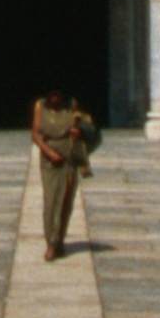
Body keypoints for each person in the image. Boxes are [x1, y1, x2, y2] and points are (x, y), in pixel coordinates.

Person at [30, 86, 98, 260]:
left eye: (58, 94)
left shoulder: (71, 104)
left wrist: (78, 131)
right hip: (50, 160)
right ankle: (51, 243)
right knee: (51, 201)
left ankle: (60, 240)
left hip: (69, 158)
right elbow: (35, 134)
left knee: (66, 201)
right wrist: (49, 153)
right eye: (51, 94)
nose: (55, 98)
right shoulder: (40, 106)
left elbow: (83, 124)